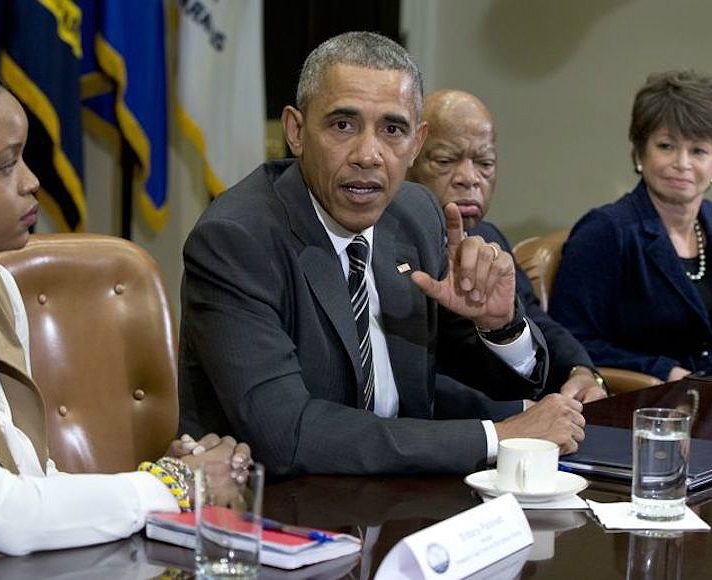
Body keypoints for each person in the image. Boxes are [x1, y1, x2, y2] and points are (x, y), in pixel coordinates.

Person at [0, 57, 249, 575]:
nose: (32, 182)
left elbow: (33, 479)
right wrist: (174, 485)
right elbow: (2, 513)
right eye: (6, 165)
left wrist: (175, 476)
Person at [178, 32, 585, 477]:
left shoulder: (414, 213)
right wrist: (498, 437)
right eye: (342, 125)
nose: (368, 155)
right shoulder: (236, 240)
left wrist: (499, 327)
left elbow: (483, 378)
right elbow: (287, 434)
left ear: (416, 142)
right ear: (296, 131)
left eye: (393, 130)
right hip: (280, 509)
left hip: (404, 498)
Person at [407, 89, 608, 413]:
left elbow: (535, 318)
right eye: (445, 161)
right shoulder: (381, 244)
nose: (469, 179)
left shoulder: (488, 236)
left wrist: (580, 370)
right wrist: (521, 413)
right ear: (409, 157)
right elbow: (405, 378)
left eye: (485, 163)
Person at [552, 70, 712, 382]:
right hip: (637, 406)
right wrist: (662, 370)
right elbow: (570, 341)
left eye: (698, 151)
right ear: (639, 152)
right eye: (666, 146)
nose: (682, 163)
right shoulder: (606, 232)